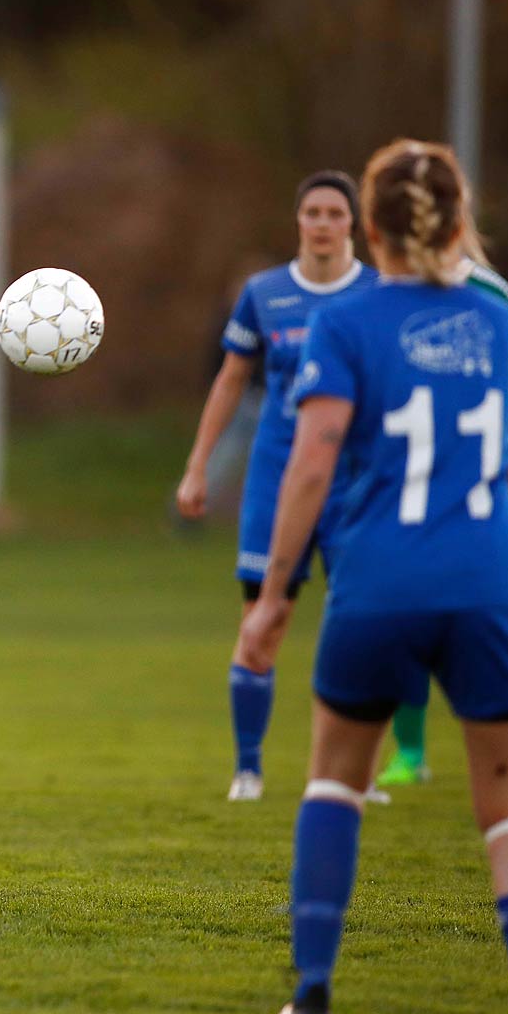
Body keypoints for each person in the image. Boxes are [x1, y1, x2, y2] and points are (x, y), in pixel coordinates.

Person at [242, 139, 508, 1014]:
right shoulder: (502, 322)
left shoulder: (347, 323)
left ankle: (310, 1000)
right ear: (460, 222)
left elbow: (311, 460)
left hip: (381, 581)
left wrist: (273, 596)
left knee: (334, 784)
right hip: (494, 581)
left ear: (371, 227)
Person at [177, 172, 376, 801]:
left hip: (352, 479)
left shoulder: (377, 293)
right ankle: (249, 769)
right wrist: (198, 465)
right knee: (264, 620)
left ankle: (357, 774)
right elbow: (231, 382)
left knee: (366, 622)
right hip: (275, 474)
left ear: (353, 224)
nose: (322, 223)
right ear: (299, 220)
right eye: (312, 211)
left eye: (334, 213)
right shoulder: (264, 294)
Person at [372, 237, 508, 789]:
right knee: (399, 630)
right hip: (403, 500)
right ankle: (410, 752)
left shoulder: (492, 296)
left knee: (459, 633)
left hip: (473, 510)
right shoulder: (381, 297)